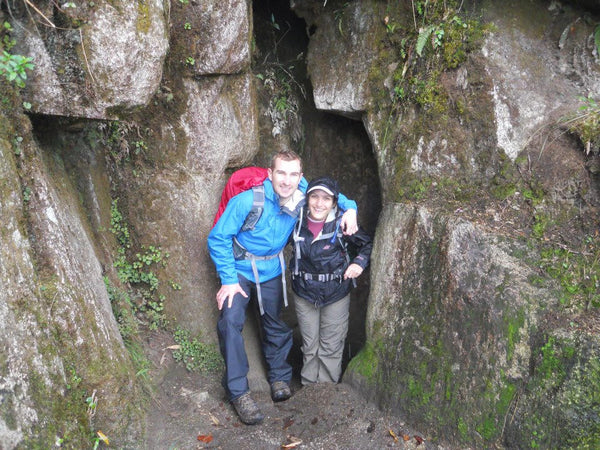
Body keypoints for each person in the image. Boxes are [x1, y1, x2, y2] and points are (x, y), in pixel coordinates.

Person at [207, 150, 358, 425]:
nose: (286, 181)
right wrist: (228, 279)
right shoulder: (247, 201)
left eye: (293, 174)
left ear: (300, 177)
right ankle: (239, 391)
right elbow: (218, 237)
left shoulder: (302, 194)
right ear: (270, 173)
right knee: (230, 321)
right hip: (239, 269)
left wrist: (351, 209)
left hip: (272, 270)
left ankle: (279, 377)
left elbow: (332, 196)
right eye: (281, 173)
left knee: (274, 321)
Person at [290, 176, 372, 386]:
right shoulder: (295, 220)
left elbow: (366, 244)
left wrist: (359, 264)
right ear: (307, 198)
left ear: (334, 202)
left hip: (336, 291)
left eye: (326, 199)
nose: (319, 203)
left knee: (331, 345)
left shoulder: (343, 222)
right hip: (304, 291)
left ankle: (326, 391)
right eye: (314, 197)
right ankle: (308, 387)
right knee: (309, 344)